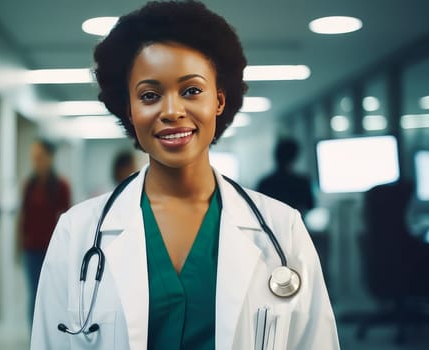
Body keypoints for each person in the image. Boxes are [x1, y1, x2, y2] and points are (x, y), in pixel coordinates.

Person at [31, 2, 339, 349]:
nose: (172, 111)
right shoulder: (78, 233)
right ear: (130, 110)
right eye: (150, 95)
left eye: (191, 90)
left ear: (219, 101)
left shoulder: (283, 230)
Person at [19, 139, 72, 324]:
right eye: (34, 158)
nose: (36, 161)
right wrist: (19, 245)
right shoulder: (29, 186)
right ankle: (35, 338)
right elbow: (24, 218)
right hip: (32, 249)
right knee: (35, 294)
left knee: (54, 294)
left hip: (53, 250)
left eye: (40, 157)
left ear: (50, 158)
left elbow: (67, 221)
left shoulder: (61, 186)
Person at [257, 138, 315, 214]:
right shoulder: (301, 182)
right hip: (295, 224)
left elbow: (259, 209)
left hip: (271, 225)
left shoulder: (265, 183)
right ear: (294, 157)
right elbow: (310, 206)